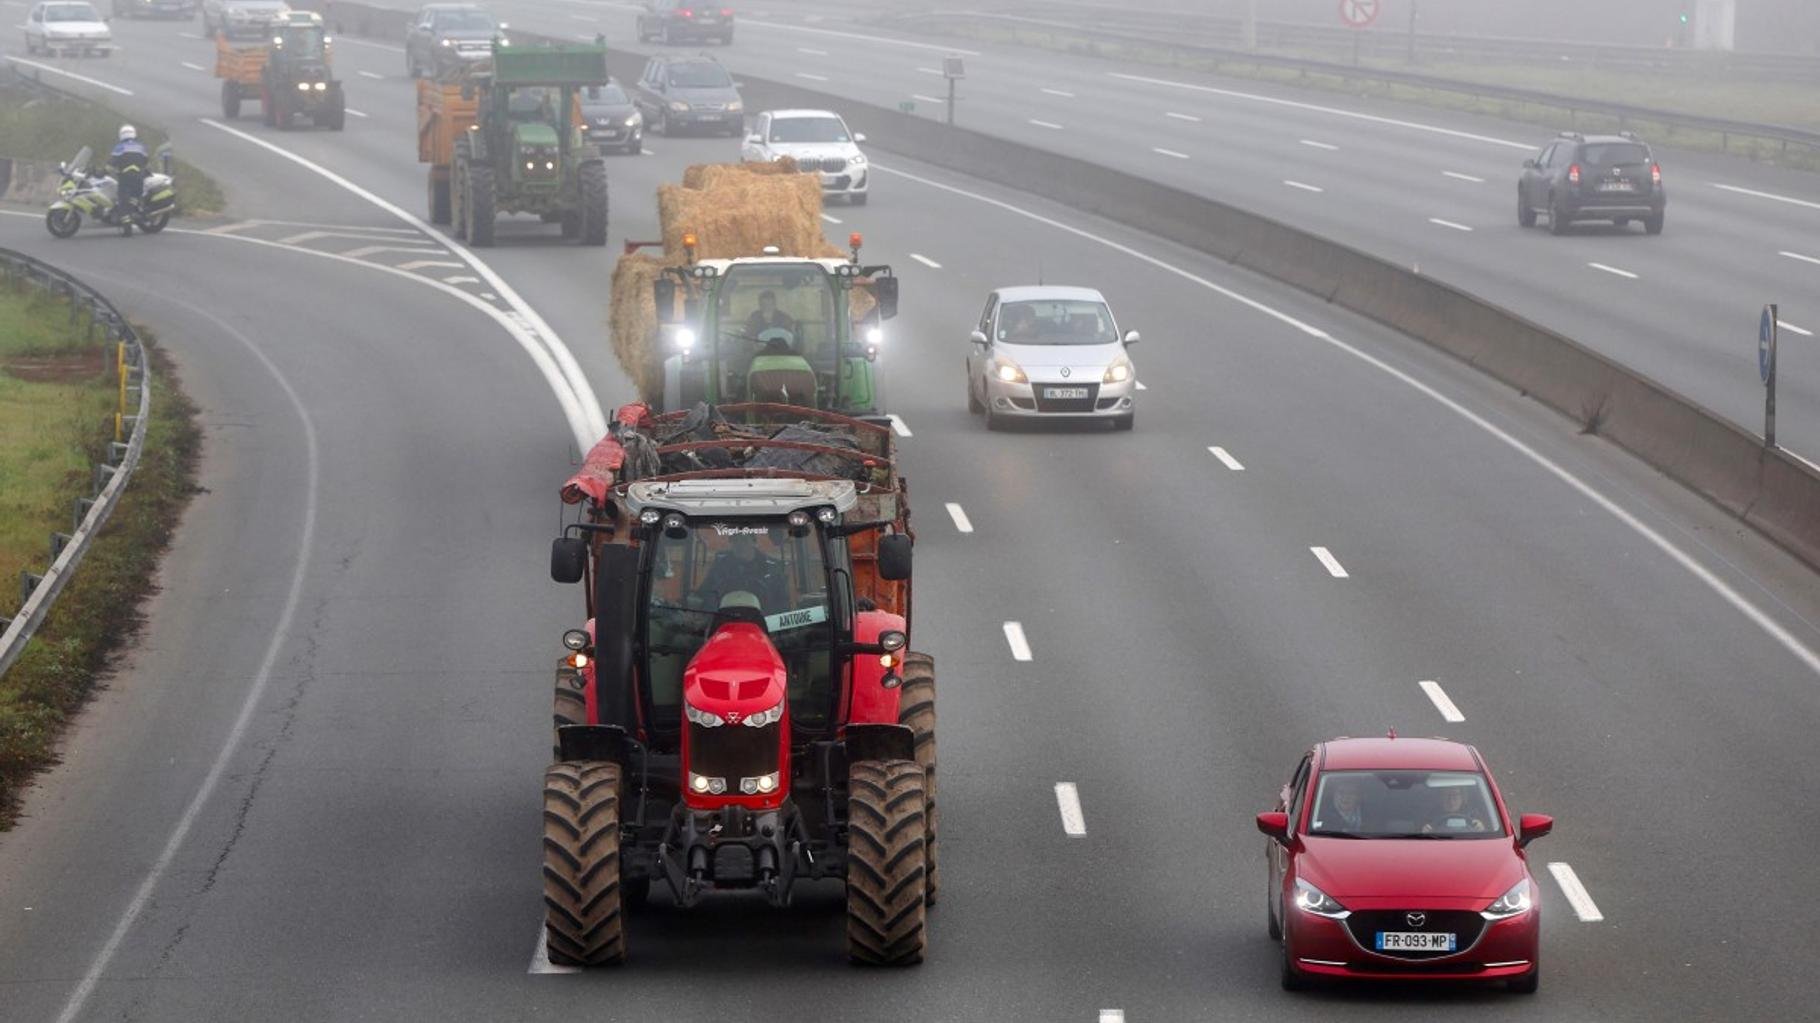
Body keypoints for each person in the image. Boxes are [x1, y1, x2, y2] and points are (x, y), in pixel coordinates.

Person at [697, 532, 785, 612]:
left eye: (744, 540)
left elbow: (782, 602)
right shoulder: (720, 566)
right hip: (724, 619)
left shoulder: (771, 568)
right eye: (736, 541)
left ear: (754, 543)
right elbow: (705, 593)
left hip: (764, 622)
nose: (740, 545)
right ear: (732, 545)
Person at [109, 125, 149, 235]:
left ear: (121, 135)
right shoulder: (141, 147)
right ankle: (135, 213)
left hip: (125, 178)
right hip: (139, 177)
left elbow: (112, 162)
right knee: (134, 198)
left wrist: (102, 171)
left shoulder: (120, 147)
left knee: (123, 203)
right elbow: (146, 160)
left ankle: (127, 229)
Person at [1423, 785, 1489, 834]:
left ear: (1462, 797)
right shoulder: (1432, 815)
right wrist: (1425, 831)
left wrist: (1482, 829)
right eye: (1446, 795)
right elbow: (1422, 834)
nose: (1451, 800)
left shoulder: (1473, 813)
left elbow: (1487, 835)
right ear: (1441, 797)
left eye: (1455, 795)